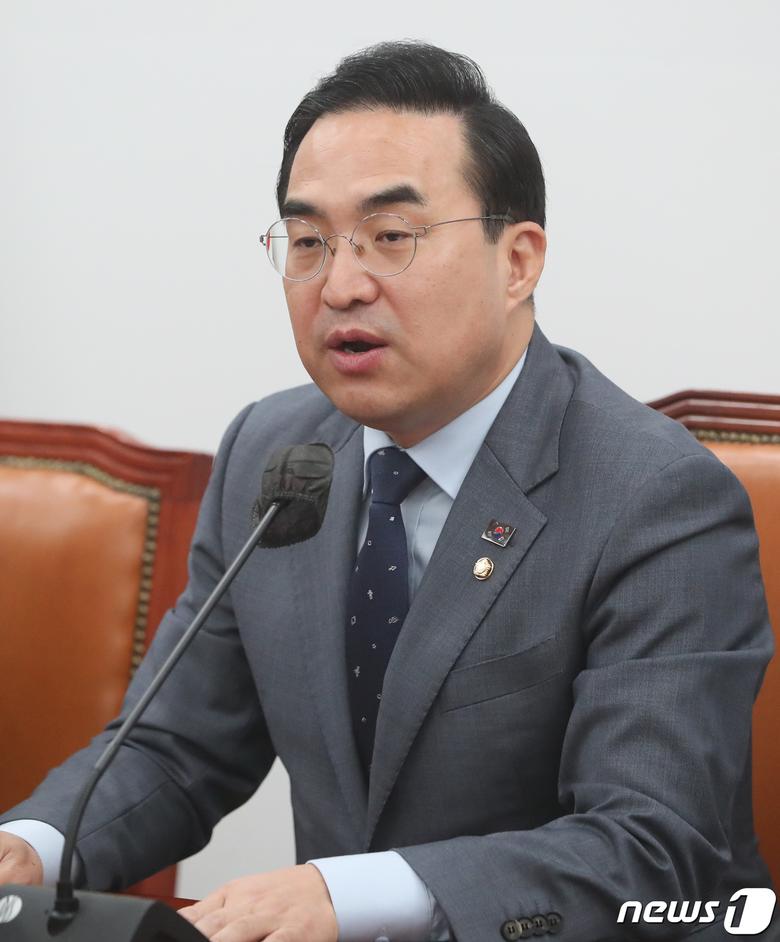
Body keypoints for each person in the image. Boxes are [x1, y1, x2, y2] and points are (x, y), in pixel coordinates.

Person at [0, 41, 774, 942]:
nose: (340, 285)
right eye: (308, 242)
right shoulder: (273, 455)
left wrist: (351, 895)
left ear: (518, 261)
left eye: (392, 237)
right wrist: (33, 848)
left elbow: (649, 849)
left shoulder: (657, 500)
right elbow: (178, 747)